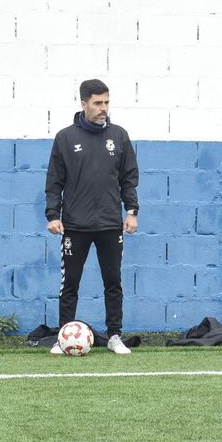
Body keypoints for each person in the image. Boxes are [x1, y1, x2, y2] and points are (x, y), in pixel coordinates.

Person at [45, 79, 140, 355]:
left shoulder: (119, 136)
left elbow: (128, 179)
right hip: (75, 225)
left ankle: (114, 336)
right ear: (83, 103)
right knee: (70, 284)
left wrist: (131, 211)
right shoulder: (65, 138)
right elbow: (54, 182)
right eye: (98, 103)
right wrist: (53, 215)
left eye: (107, 102)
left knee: (113, 281)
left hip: (111, 223)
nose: (103, 108)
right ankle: (63, 337)